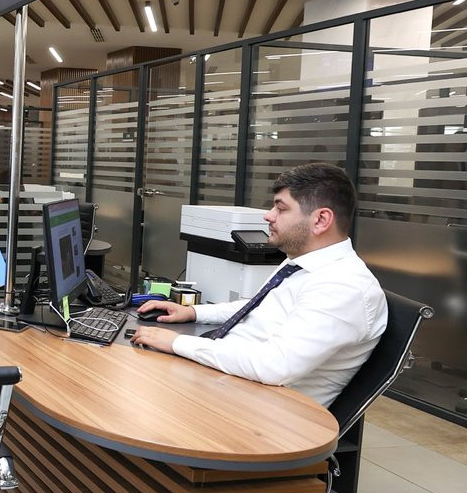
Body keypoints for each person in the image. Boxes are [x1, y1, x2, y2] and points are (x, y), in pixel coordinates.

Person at [132, 162, 387, 408]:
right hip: (232, 382)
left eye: (281, 209)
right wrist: (194, 312)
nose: (268, 215)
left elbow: (274, 366)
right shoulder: (300, 262)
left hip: (261, 411)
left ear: (321, 220)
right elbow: (257, 308)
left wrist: (178, 343)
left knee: (135, 393)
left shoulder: (344, 286)